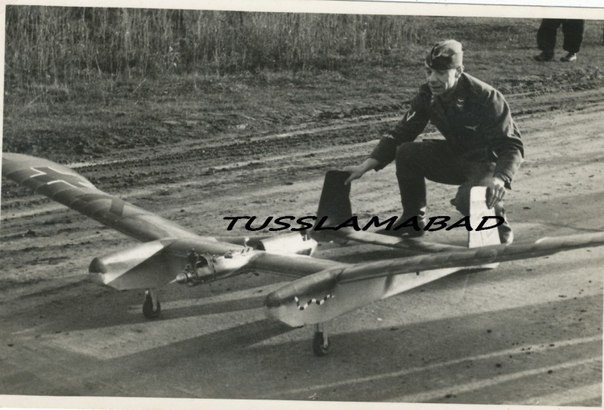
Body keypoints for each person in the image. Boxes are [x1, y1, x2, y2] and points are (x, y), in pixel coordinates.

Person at [343, 39, 523, 244]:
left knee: (469, 199)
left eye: (441, 73)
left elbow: (511, 146)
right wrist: (365, 166)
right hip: (457, 155)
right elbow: (402, 132)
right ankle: (412, 221)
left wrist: (499, 179)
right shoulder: (427, 94)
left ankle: (498, 229)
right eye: (428, 72)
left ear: (458, 71)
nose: (432, 79)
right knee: (407, 152)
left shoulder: (485, 97)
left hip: (486, 163)